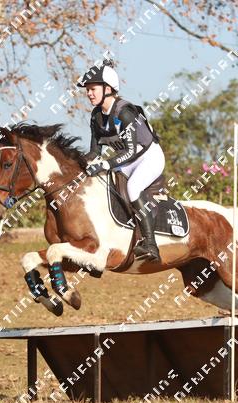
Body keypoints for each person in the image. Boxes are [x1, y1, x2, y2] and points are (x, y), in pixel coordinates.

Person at [77, 60, 165, 262]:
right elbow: (95, 152)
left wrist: (106, 164)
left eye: (92, 89)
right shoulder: (96, 116)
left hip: (149, 157)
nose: (89, 93)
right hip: (127, 160)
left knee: (133, 188)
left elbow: (132, 150)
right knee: (104, 185)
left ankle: (151, 245)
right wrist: (78, 164)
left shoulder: (124, 112)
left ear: (108, 89)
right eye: (87, 90)